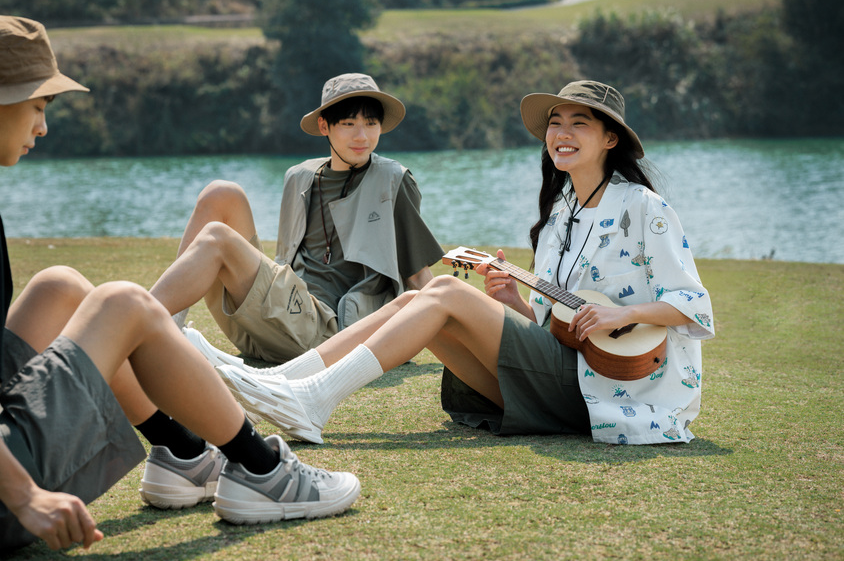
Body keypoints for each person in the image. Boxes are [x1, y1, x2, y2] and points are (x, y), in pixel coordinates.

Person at [0, 15, 359, 559]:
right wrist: (25, 497)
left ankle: (182, 453)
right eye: (38, 105)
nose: (42, 128)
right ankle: (264, 472)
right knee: (126, 304)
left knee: (59, 287)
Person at [200, 80, 715, 446]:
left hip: (614, 393)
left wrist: (623, 314)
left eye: (578, 124)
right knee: (416, 298)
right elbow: (551, 326)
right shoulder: (560, 216)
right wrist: (513, 301)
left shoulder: (643, 208)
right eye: (555, 123)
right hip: (562, 375)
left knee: (444, 290)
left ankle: (315, 400)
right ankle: (287, 381)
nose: (561, 132)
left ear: (610, 139)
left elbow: (693, 306)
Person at [150, 72, 443, 367]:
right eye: (348, 123)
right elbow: (284, 261)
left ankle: (147, 324)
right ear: (324, 126)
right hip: (274, 321)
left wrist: (454, 339)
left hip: (330, 333)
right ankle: (167, 325)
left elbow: (418, 277)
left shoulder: (392, 180)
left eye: (371, 123)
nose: (362, 136)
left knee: (217, 238)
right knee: (220, 194)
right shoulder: (299, 177)